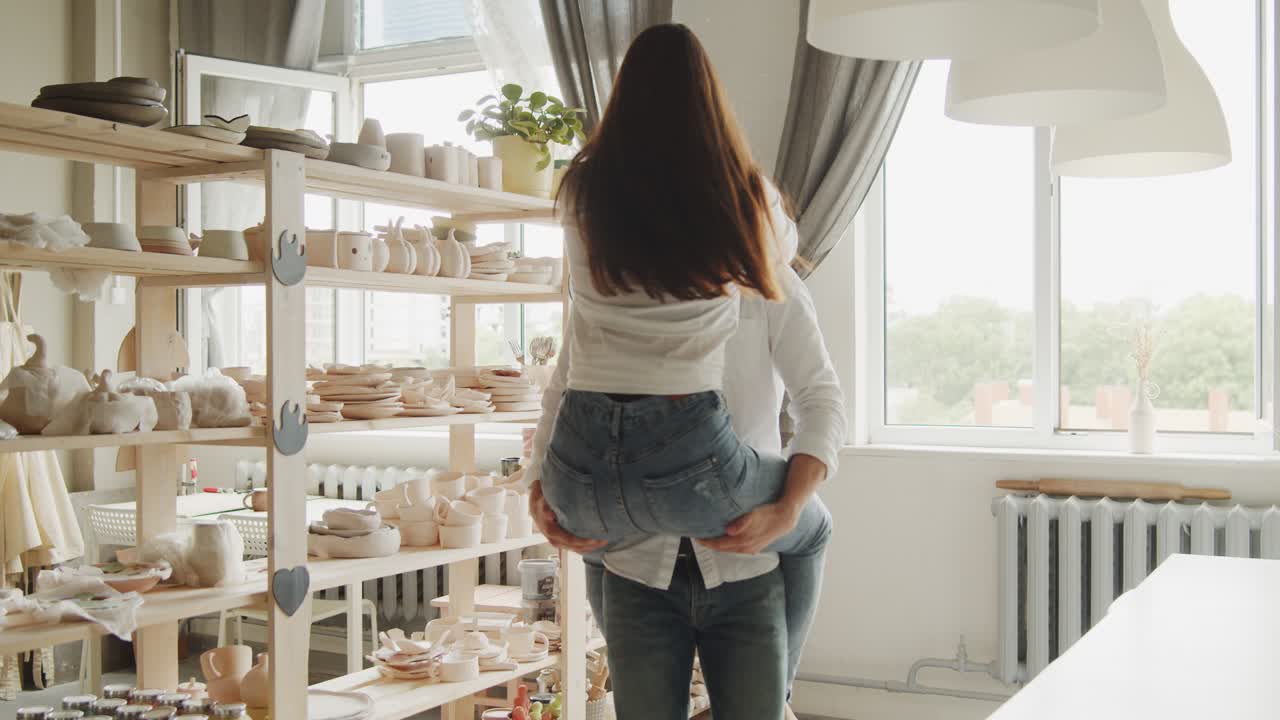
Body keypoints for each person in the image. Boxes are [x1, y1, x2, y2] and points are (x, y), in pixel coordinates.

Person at [526, 262, 843, 718]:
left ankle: (783, 694)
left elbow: (821, 398)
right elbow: (561, 398)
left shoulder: (770, 282)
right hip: (637, 570)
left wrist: (789, 508)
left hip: (745, 567)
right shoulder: (611, 284)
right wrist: (538, 485)